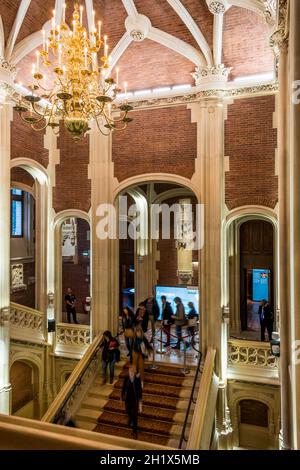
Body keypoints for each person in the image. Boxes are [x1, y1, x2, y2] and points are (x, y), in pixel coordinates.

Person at [121, 365, 143, 438]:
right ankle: (130, 418)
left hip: (135, 400)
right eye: (130, 371)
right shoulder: (126, 377)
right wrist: (122, 396)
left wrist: (140, 400)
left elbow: (140, 390)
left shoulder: (137, 379)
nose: (130, 373)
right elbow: (123, 387)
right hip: (128, 399)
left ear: (134, 372)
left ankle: (134, 431)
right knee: (128, 411)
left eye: (132, 372)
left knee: (135, 416)